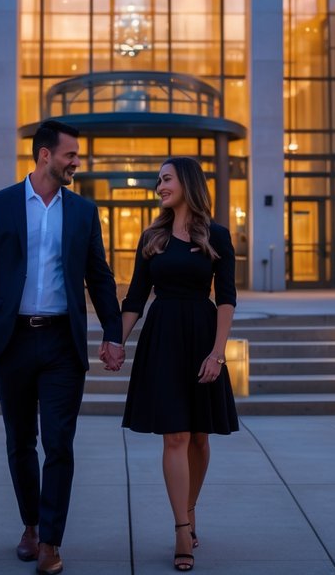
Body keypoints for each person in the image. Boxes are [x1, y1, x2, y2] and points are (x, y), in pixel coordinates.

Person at [0, 120, 124, 575]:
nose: (77, 162)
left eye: (77, 155)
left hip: (61, 343)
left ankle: (51, 540)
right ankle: (30, 526)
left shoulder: (84, 212)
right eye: (71, 154)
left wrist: (113, 333)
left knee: (59, 443)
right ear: (44, 155)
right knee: (20, 443)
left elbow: (100, 276)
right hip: (11, 341)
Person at [120, 157, 238, 572]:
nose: (159, 186)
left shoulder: (217, 236)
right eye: (158, 181)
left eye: (166, 179)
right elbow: (135, 297)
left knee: (200, 437)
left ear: (187, 182)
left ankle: (190, 508)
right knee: (175, 435)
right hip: (163, 339)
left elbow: (226, 298)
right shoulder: (152, 236)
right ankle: (181, 528)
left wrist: (217, 352)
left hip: (203, 337)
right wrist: (116, 341)